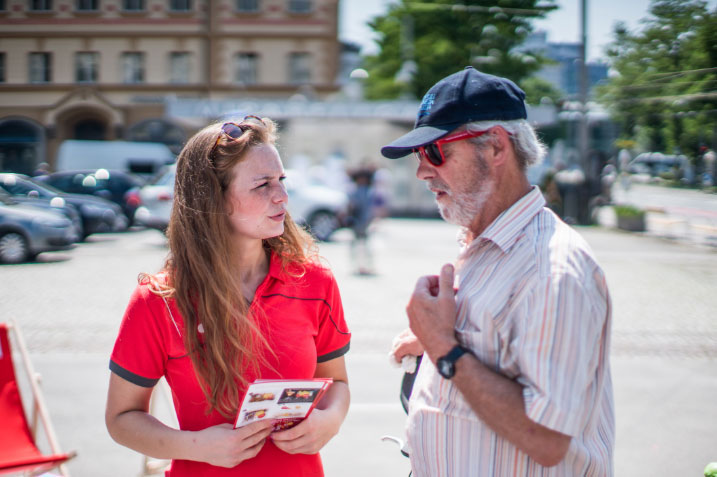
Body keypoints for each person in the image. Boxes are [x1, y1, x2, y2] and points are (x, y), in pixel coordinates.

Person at [383, 67, 614, 476]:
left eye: (437, 152)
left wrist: (443, 347)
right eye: (420, 156)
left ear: (496, 147)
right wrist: (435, 344)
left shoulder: (552, 269)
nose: (422, 171)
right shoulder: (483, 243)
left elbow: (547, 438)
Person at [105, 116, 351, 476]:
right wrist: (195, 447)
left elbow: (337, 383)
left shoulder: (315, 281)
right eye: (262, 185)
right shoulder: (158, 299)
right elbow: (121, 418)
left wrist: (330, 419)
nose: (282, 195)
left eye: (281, 180)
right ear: (212, 199)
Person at [345, 163, 386, 275]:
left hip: (366, 222)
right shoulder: (356, 192)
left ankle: (366, 266)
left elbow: (377, 207)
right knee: (358, 246)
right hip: (358, 221)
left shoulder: (369, 192)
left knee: (367, 246)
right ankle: (358, 266)